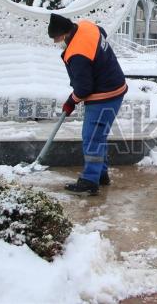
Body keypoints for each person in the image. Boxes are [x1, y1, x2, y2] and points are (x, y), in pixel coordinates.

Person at [48, 13, 127, 196]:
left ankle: (90, 181)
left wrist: (70, 102)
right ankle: (101, 174)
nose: (55, 42)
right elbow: (102, 33)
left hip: (104, 95)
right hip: (116, 88)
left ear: (64, 34)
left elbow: (84, 88)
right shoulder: (86, 26)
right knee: (99, 135)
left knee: (91, 137)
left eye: (56, 38)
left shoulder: (77, 53)